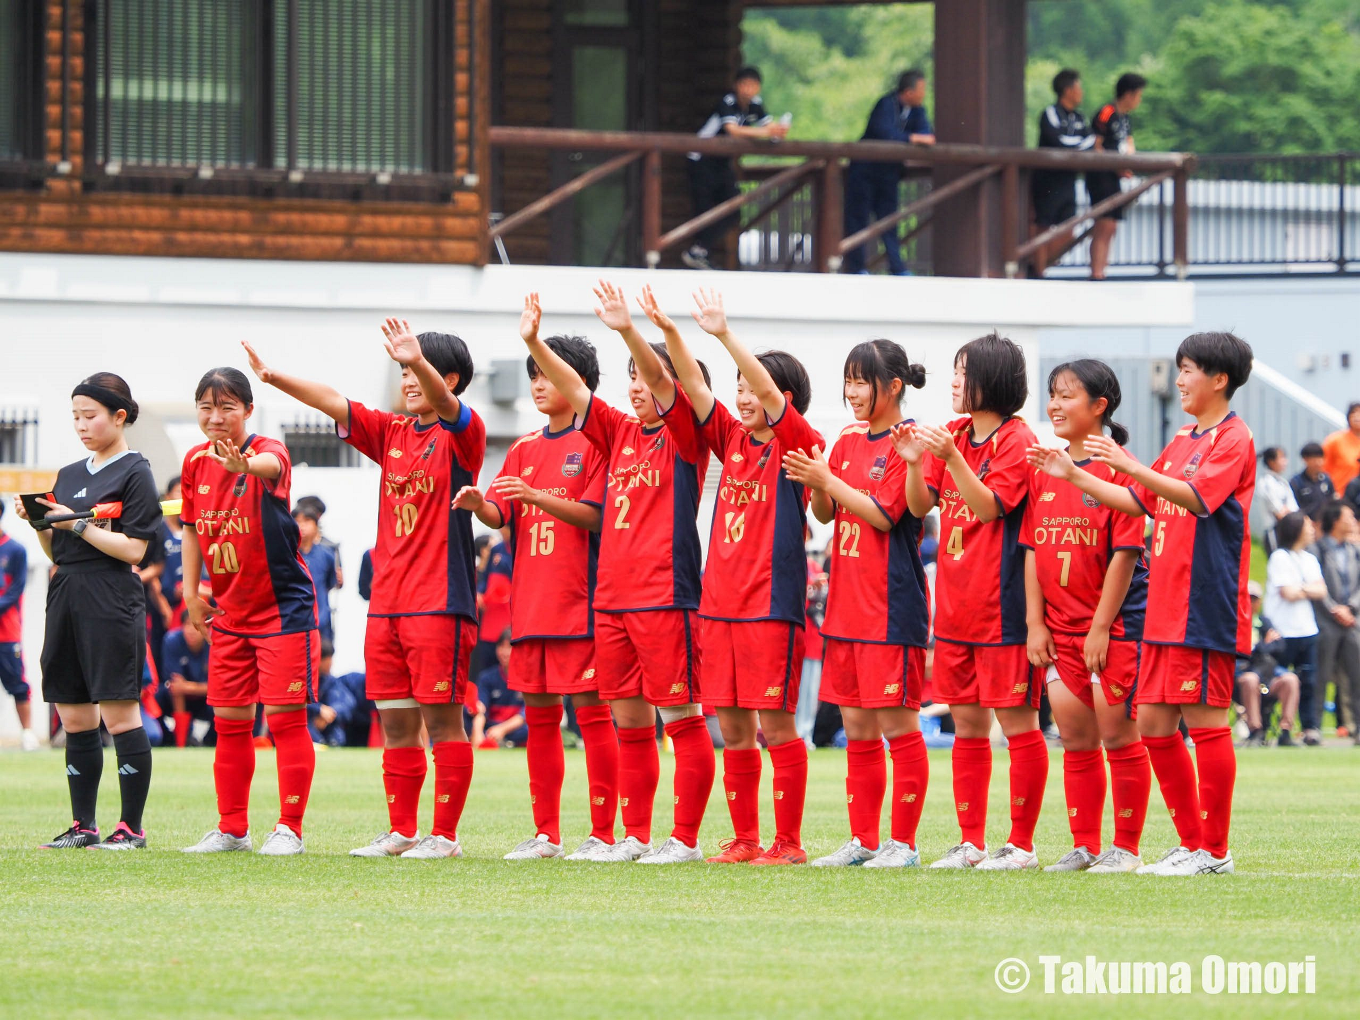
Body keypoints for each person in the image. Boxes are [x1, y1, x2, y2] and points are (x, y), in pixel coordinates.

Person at [246, 318, 485, 862]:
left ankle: (444, 836)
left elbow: (449, 407)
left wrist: (418, 358)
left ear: (447, 378)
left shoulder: (461, 434)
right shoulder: (394, 433)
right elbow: (335, 402)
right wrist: (272, 376)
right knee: (396, 720)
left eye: (416, 369)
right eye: (401, 369)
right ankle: (402, 830)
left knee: (442, 719)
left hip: (441, 602)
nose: (405, 378)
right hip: (388, 605)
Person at [1031, 330, 1255, 876]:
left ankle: (1214, 851)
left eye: (1188, 369)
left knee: (1205, 725)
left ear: (1219, 378)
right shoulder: (1182, 439)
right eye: (1178, 369)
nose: (1179, 380)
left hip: (1204, 603)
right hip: (1164, 607)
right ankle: (1190, 843)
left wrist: (1127, 466)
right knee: (1155, 727)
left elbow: (1197, 499)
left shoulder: (1233, 438)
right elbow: (1138, 500)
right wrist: (1075, 473)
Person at [521, 286, 715, 864]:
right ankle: (632, 837)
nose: (635, 384)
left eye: (646, 376)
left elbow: (665, 381)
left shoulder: (686, 436)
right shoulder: (618, 432)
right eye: (629, 375)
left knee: (680, 717)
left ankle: (682, 839)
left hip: (666, 595)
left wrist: (630, 329)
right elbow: (577, 389)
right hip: (611, 600)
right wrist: (532, 339)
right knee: (630, 723)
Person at [644, 286, 821, 866]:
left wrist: (723, 333)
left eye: (750, 388)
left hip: (771, 604)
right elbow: (691, 387)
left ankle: (788, 843)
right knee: (735, 728)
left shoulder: (800, 442)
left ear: (782, 399)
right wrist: (670, 330)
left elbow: (768, 392)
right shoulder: (731, 440)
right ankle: (746, 840)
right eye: (738, 387)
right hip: (719, 605)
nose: (742, 397)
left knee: (776, 724)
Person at [453, 330, 620, 862]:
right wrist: (481, 503)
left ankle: (603, 834)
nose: (539, 384)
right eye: (534, 375)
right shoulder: (523, 448)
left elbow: (595, 515)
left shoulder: (599, 442)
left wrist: (537, 497)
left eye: (550, 374)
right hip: (531, 607)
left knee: (592, 717)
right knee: (540, 718)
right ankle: (546, 834)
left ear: (581, 383)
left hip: (582, 604)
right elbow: (502, 514)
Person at [786, 340, 932, 868]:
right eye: (847, 380)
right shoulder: (846, 440)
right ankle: (864, 840)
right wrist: (817, 483)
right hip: (846, 606)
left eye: (861, 381)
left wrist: (828, 481)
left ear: (893, 386)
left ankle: (903, 845)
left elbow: (884, 515)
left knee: (898, 727)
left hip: (891, 608)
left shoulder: (909, 442)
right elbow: (828, 514)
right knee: (858, 730)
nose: (852, 392)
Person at [900, 333, 1041, 870]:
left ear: (995, 379)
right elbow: (919, 507)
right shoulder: (954, 432)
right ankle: (971, 841)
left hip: (1002, 609)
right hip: (955, 607)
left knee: (1018, 726)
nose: (955, 381)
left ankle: (1022, 845)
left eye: (964, 371)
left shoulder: (1016, 440)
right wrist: (916, 463)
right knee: (968, 728)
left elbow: (988, 508)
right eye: (955, 371)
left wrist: (952, 458)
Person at [176, 368, 320, 856]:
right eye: (206, 408)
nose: (215, 418)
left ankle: (289, 829)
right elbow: (192, 529)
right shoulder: (194, 461)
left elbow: (272, 468)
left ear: (248, 411)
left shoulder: (268, 449)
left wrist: (245, 467)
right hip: (229, 612)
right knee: (230, 722)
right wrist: (191, 592)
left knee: (284, 720)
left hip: (283, 612)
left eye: (227, 407)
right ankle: (233, 829)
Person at [13, 373, 158, 849]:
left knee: (118, 713)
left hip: (111, 597)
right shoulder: (69, 474)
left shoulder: (136, 470)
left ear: (119, 416)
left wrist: (76, 525)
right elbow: (58, 553)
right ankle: (84, 826)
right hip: (67, 593)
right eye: (75, 416)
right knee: (74, 715)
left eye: (90, 415)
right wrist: (41, 523)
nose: (81, 425)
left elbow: (135, 550)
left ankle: (130, 828)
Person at [1021, 361, 1152, 873]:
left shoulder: (1121, 468)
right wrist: (1036, 623)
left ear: (1099, 406)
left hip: (1111, 631)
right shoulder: (1044, 467)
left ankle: (1126, 848)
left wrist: (1100, 628)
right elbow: (1033, 548)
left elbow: (1125, 553)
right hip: (1059, 631)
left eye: (1067, 396)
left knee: (1119, 738)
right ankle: (1085, 845)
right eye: (1052, 395)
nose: (1054, 405)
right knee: (1076, 740)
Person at [683, 66, 789, 271]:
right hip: (701, 159)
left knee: (733, 211)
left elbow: (767, 125)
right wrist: (767, 132)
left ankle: (699, 250)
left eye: (753, 85)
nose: (748, 90)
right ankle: (698, 250)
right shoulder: (727, 102)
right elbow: (733, 130)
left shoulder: (755, 105)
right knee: (704, 209)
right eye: (744, 85)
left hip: (722, 162)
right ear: (736, 86)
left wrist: (777, 130)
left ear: (758, 88)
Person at [842, 70, 936, 276]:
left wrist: (916, 138)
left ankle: (897, 267)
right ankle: (857, 267)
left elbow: (927, 134)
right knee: (858, 219)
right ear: (909, 92)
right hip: (865, 170)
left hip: (889, 173)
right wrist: (912, 139)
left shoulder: (918, 111)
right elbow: (884, 132)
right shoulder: (886, 104)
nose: (924, 94)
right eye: (921, 90)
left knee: (890, 221)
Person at [1264, 511, 1327, 747]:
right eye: (1307, 525)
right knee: (1277, 678)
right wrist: (1307, 588)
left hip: (1306, 629)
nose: (1312, 529)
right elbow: (1287, 593)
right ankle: (1275, 727)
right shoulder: (1280, 557)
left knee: (1309, 680)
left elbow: (1322, 591)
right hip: (1283, 630)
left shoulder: (1309, 559)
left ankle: (1310, 727)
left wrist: (1300, 588)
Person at [1030, 69, 1093, 277]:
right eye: (1078, 87)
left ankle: (1043, 266)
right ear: (1067, 90)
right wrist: (1083, 145)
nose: (1081, 92)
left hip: (1069, 180)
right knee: (1043, 226)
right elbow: (1060, 142)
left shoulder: (1079, 117)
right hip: (1047, 180)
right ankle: (1038, 271)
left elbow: (1091, 140)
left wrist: (1086, 144)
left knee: (1068, 229)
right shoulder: (1050, 113)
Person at [1087, 73, 1147, 281]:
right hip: (1100, 175)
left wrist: (1127, 165)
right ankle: (1096, 273)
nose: (1139, 100)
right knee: (1104, 224)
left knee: (1112, 225)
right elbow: (1095, 146)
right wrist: (1114, 166)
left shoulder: (1125, 119)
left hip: (1116, 176)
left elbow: (1129, 145)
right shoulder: (1106, 113)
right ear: (1128, 94)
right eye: (1138, 95)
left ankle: (1103, 269)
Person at [1313, 501, 1360, 742]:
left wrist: (1350, 608)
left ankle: (1358, 728)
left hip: (1352, 621)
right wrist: (1335, 610)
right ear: (1335, 520)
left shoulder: (1354, 551)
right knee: (1320, 675)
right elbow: (1316, 583)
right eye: (1348, 516)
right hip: (1327, 622)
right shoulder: (1318, 549)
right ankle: (1314, 728)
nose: (1353, 520)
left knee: (1357, 676)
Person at [1236, 582, 1300, 746]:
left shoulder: (1264, 622)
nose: (1250, 603)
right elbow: (1240, 652)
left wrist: (1258, 648)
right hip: (1241, 677)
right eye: (1246, 598)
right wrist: (1262, 646)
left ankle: (1285, 731)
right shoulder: (1233, 623)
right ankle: (1255, 730)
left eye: (1253, 599)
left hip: (1266, 676)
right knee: (1250, 679)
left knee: (1290, 679)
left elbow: (1280, 646)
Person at [0, 503, 37, 750]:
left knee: (17, 683)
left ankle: (27, 734)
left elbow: (15, 591)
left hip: (6, 632)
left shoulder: (15, 550)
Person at [159, 609, 212, 748]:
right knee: (157, 696)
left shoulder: (215, 644)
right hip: (176, 698)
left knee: (225, 701)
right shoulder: (172, 640)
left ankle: (209, 740)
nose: (191, 630)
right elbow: (176, 686)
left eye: (196, 625)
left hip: (208, 699)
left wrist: (189, 687)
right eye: (187, 624)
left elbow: (219, 687)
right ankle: (176, 740)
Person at [471, 629, 529, 748]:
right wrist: (477, 733)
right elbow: (480, 709)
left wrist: (502, 730)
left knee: (531, 728)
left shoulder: (528, 678)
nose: (504, 652)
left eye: (509, 647)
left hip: (516, 729)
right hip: (491, 727)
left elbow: (525, 714)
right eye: (501, 646)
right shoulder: (486, 678)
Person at [294, 501, 339, 648]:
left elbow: (331, 584)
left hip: (322, 619)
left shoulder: (327, 554)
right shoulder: (287, 555)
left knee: (323, 660)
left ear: (316, 525)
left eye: (307, 521)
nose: (302, 526)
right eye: (297, 521)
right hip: (295, 622)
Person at [1252, 447, 1297, 551]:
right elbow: (1278, 512)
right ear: (1271, 462)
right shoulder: (1266, 482)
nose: (1285, 461)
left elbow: (1294, 507)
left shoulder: (1283, 482)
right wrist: (1286, 510)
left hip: (1289, 530)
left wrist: (1288, 510)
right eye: (1281, 458)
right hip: (1274, 531)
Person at [1290, 443, 1336, 521]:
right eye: (1315, 460)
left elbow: (1332, 500)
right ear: (1305, 459)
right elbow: (1294, 508)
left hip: (1326, 524)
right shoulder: (1296, 482)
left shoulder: (1326, 479)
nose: (1319, 463)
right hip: (1307, 524)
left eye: (1321, 459)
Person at [1323, 403, 1360, 494]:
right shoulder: (1335, 440)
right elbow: (1323, 468)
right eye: (1353, 413)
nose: (1357, 416)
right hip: (1340, 494)